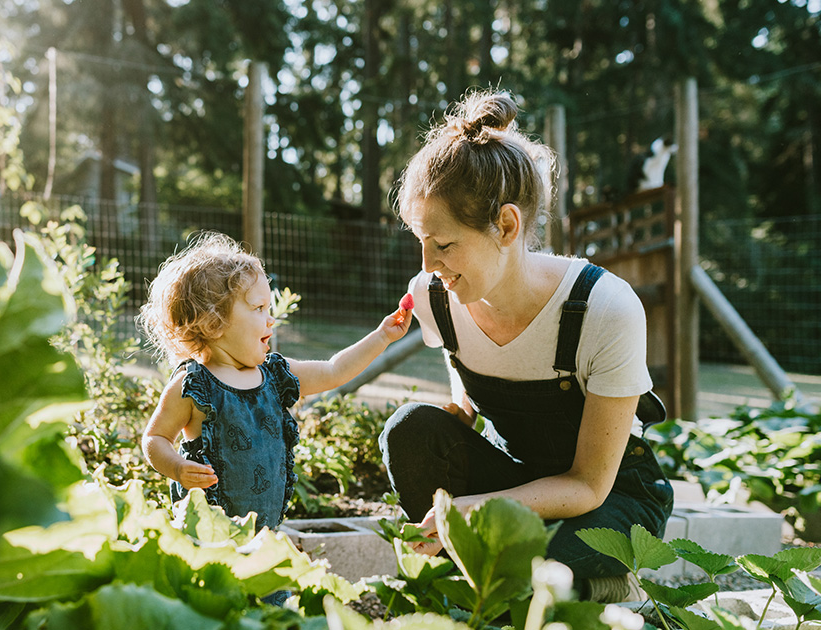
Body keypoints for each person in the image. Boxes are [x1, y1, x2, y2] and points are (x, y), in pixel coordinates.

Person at [379, 89, 674, 604]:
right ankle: (492, 580)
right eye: (420, 241)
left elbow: (587, 485)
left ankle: (599, 582)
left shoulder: (604, 307)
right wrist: (455, 425)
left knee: (529, 556)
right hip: (521, 479)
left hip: (608, 501)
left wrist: (482, 510)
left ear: (507, 226)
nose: (428, 265)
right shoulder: (436, 298)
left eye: (444, 244)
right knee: (410, 428)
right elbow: (468, 391)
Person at [139, 231, 412, 533]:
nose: (271, 320)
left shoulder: (274, 375)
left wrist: (383, 336)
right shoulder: (193, 386)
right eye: (258, 309)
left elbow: (335, 371)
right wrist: (177, 467)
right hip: (207, 532)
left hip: (265, 531)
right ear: (213, 323)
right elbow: (155, 439)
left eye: (269, 308)